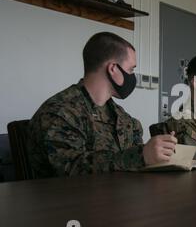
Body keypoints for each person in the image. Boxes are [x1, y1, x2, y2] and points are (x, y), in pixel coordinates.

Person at [28, 32, 177, 178]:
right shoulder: (59, 112)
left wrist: (159, 153)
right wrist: (141, 155)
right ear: (113, 69)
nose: (132, 76)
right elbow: (70, 169)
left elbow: (136, 165)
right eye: (131, 69)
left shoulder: (123, 118)